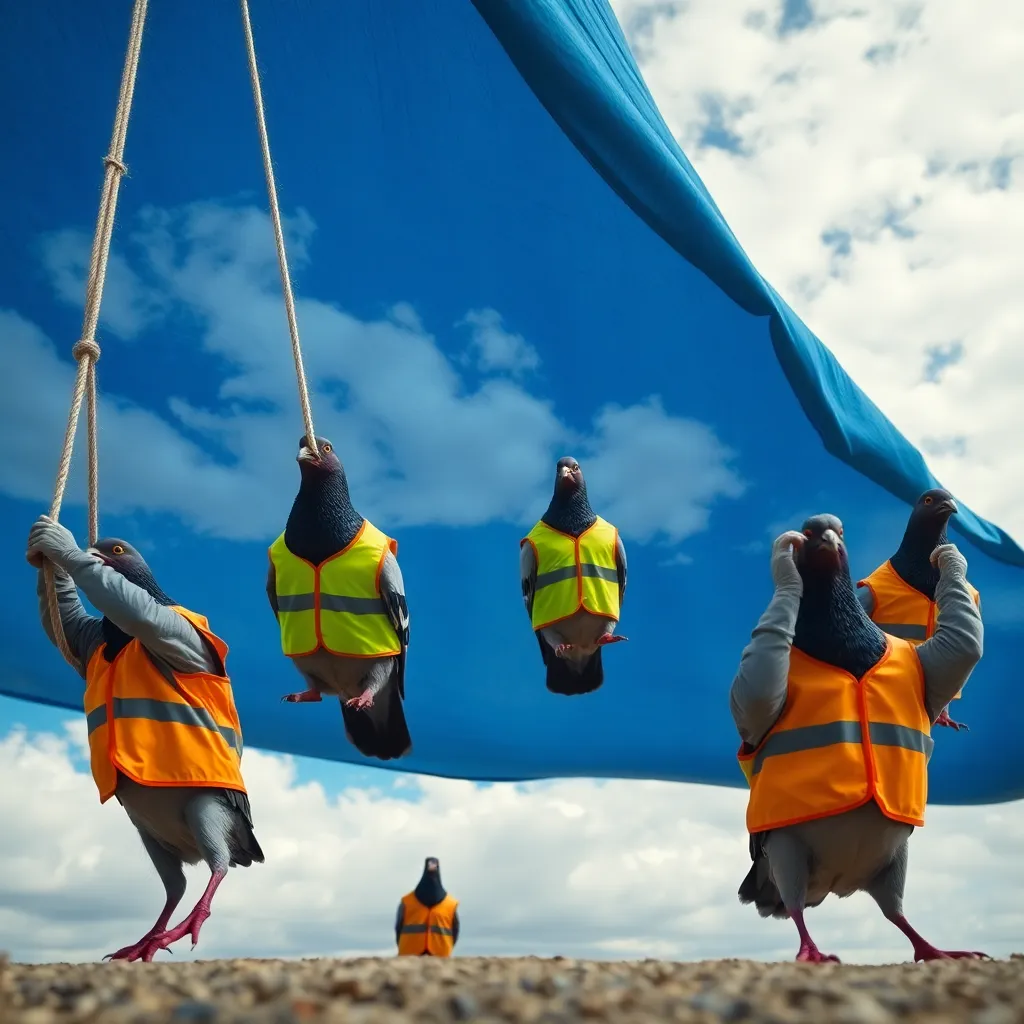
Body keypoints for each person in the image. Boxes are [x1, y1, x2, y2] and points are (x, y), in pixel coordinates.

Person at [395, 857, 460, 956]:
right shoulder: (407, 902)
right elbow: (455, 931)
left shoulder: (450, 904)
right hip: (435, 954)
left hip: (413, 952)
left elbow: (398, 929)